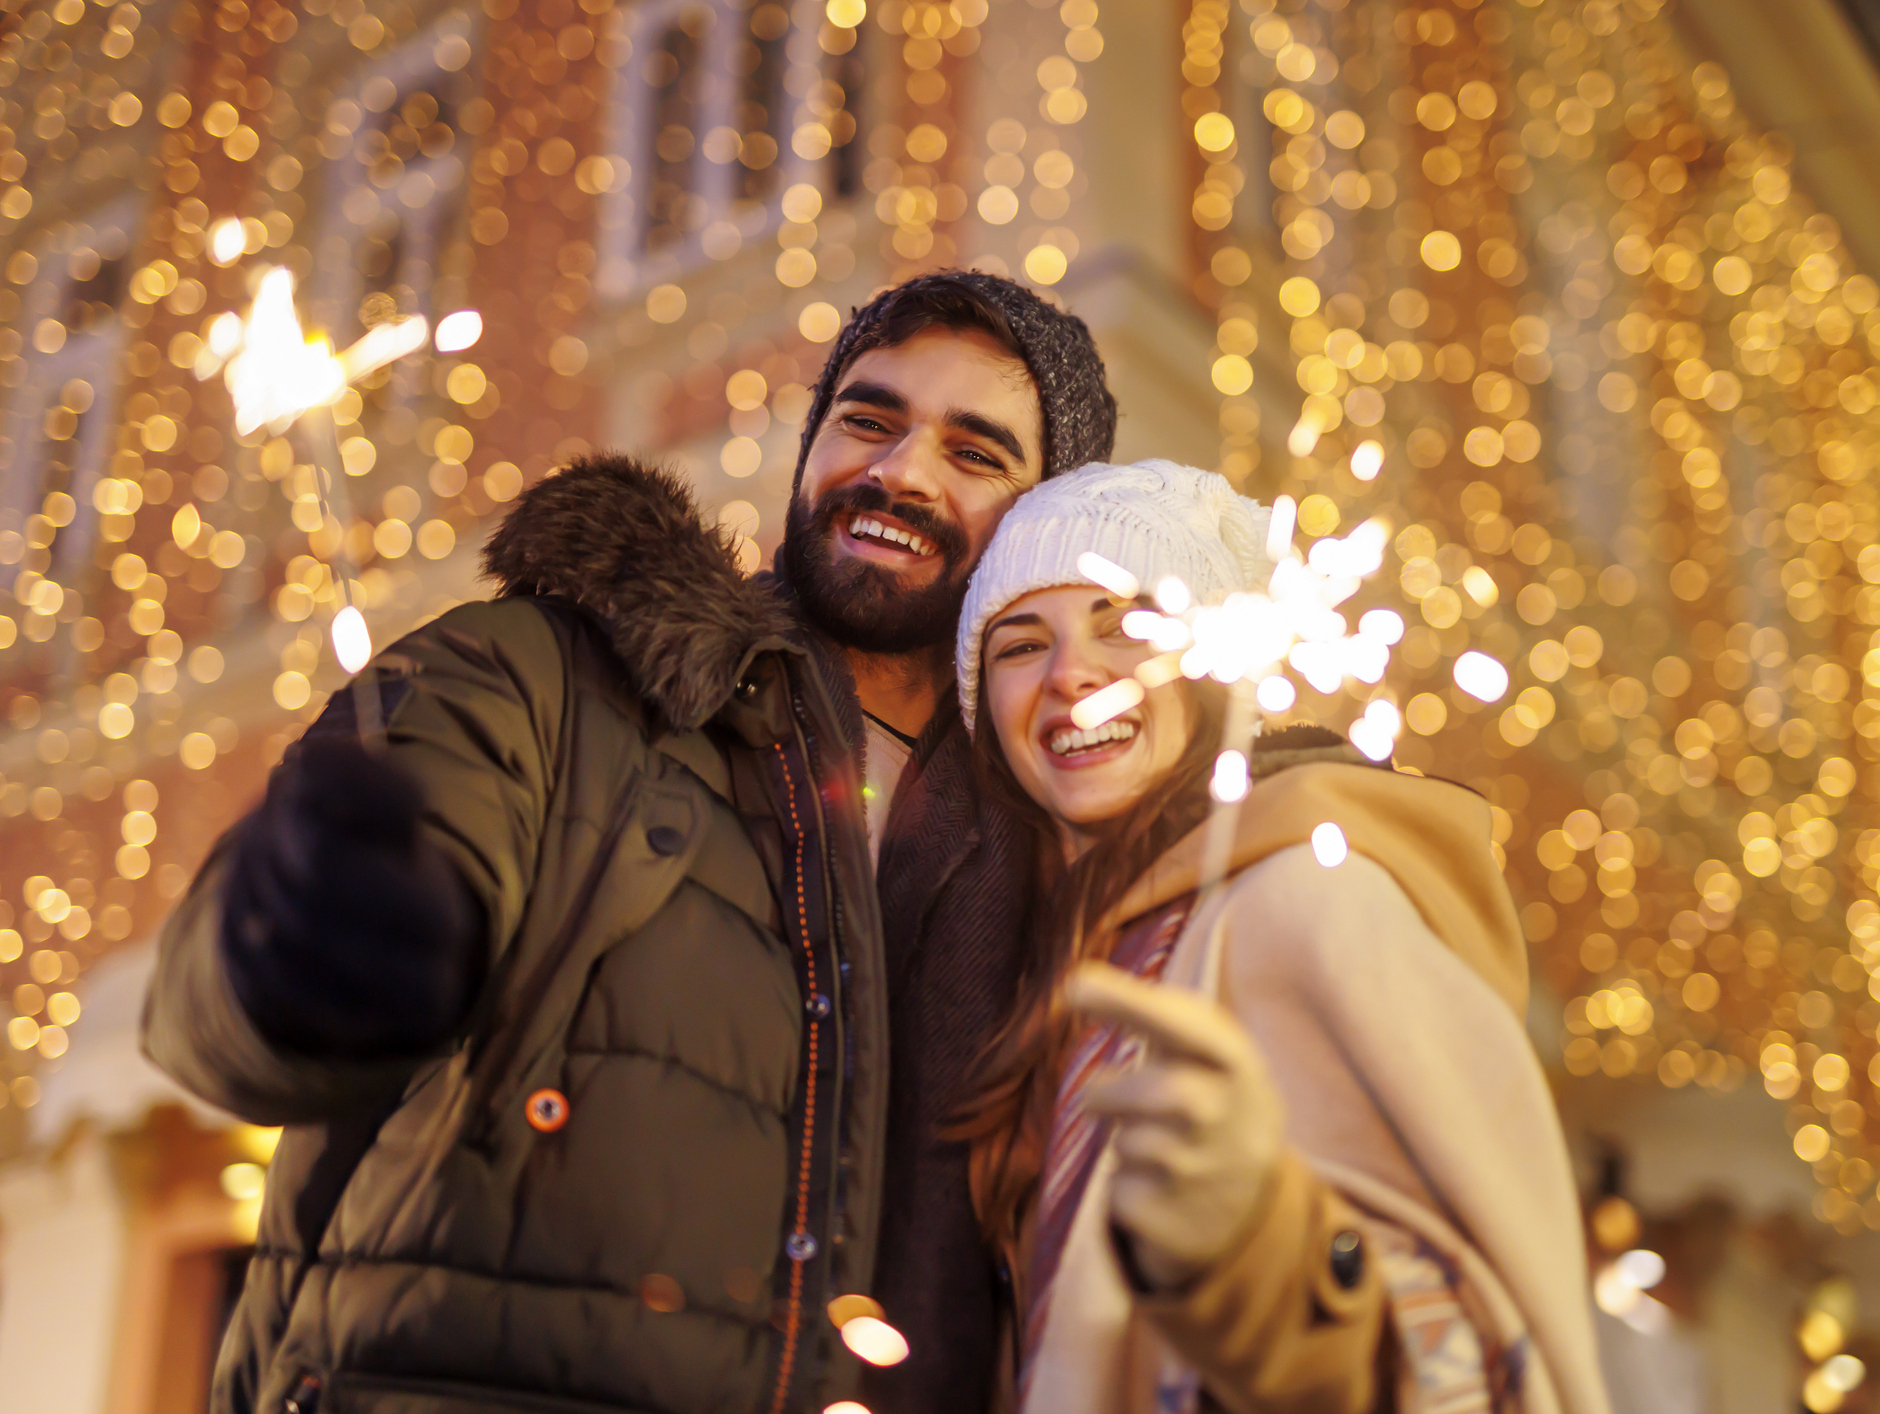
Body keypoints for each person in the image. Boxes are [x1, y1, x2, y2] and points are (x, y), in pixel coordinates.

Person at [141, 271, 1117, 1414]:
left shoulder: (1073, 833)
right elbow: (227, 1020)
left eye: (976, 451)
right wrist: (305, 944)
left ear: (1047, 522)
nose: (898, 472)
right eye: (869, 418)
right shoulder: (549, 675)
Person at [952, 460, 1611, 1414]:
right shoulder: (1057, 960)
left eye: (1125, 624)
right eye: (1019, 645)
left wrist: (1255, 1250)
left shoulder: (1309, 899)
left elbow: (1465, 1345)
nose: (1071, 675)